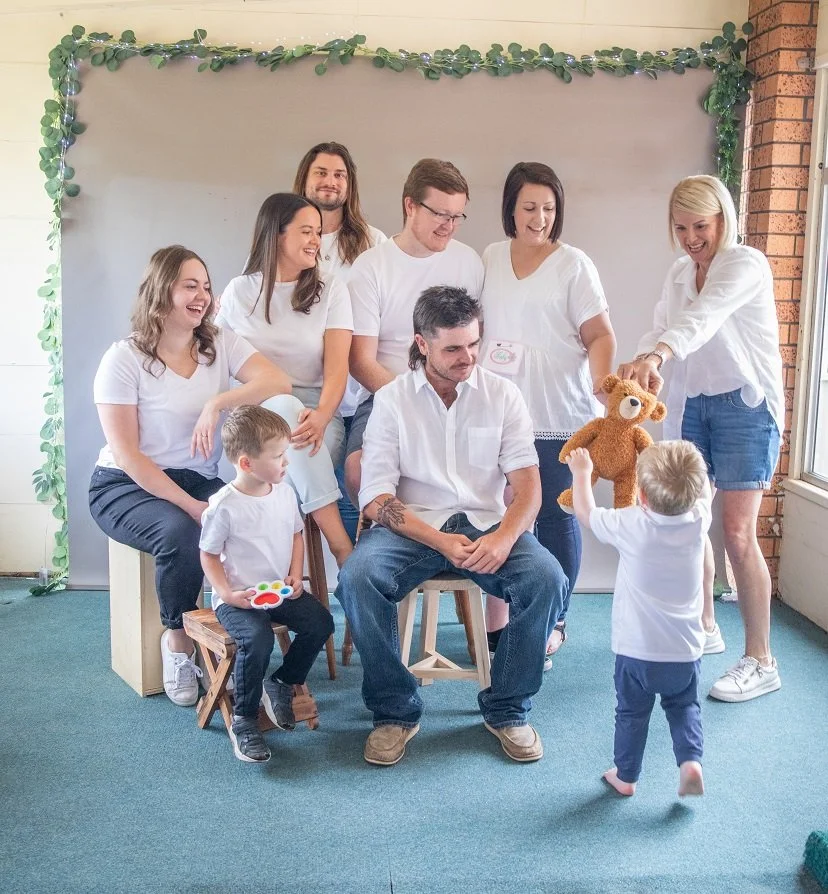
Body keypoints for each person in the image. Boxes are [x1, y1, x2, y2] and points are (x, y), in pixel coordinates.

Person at [336, 287, 567, 767]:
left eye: (473, 345)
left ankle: (507, 710)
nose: (468, 358)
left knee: (547, 579)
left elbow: (529, 490)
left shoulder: (503, 396)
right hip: (413, 527)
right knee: (357, 578)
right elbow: (376, 498)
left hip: (485, 524)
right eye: (453, 349)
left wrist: (503, 538)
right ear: (422, 343)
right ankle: (394, 712)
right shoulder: (393, 400)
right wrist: (439, 540)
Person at [89, 245, 289, 706]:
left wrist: (217, 402)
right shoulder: (123, 359)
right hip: (122, 483)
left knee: (245, 515)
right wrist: (196, 506)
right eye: (189, 285)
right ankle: (178, 641)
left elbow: (276, 381)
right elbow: (130, 455)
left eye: (206, 286)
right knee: (182, 531)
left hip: (193, 475)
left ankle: (234, 643)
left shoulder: (218, 343)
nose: (202, 296)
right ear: (161, 293)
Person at [618, 174, 784, 703]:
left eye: (701, 226)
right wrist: (638, 359)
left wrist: (657, 355)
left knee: (736, 533)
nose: (692, 238)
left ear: (723, 220)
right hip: (694, 404)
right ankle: (706, 626)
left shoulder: (744, 263)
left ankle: (761, 659)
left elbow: (702, 320)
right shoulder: (678, 272)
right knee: (688, 522)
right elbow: (662, 326)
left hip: (743, 406)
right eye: (682, 227)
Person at [480, 161, 616, 671]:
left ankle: (553, 621)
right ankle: (507, 618)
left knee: (555, 515)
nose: (539, 218)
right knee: (502, 514)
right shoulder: (491, 257)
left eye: (549, 209)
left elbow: (600, 335)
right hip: (499, 413)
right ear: (510, 209)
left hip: (559, 411)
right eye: (530, 207)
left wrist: (604, 387)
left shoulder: (573, 264)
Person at [217, 193, 353, 567]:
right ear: (277, 234)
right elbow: (215, 359)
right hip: (250, 417)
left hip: (315, 415)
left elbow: (337, 368)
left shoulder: (331, 289)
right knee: (280, 406)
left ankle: (267, 577)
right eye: (306, 231)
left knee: (290, 412)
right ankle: (341, 547)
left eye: (319, 233)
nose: (316, 240)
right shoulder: (239, 292)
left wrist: (324, 414)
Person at [566, 442, 708, 798]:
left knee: (631, 714)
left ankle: (626, 776)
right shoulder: (698, 520)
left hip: (637, 652)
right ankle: (690, 762)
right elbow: (707, 492)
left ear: (641, 496)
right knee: (684, 705)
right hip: (684, 650)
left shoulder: (631, 523)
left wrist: (582, 473)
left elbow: (586, 513)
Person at [344, 157, 484, 504]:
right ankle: (388, 545)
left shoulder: (468, 262)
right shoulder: (371, 268)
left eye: (457, 216)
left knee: (499, 473)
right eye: (440, 214)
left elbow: (475, 345)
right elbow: (360, 361)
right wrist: (414, 401)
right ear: (410, 205)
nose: (449, 226)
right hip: (386, 394)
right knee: (357, 470)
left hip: (458, 394)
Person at [200, 406, 335, 763]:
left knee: (321, 623)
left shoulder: (284, 493)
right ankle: (244, 720)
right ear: (246, 463)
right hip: (239, 598)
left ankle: (282, 681)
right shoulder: (223, 506)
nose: (286, 463)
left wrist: (295, 573)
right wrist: (227, 594)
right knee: (256, 641)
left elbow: (295, 535)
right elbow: (208, 555)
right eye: (278, 456)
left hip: (277, 589)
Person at [293, 141, 387, 540]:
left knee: (355, 493)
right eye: (321, 173)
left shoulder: (373, 242)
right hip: (309, 396)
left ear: (350, 185)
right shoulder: (286, 240)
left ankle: (353, 583)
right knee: (308, 489)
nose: (330, 182)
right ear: (306, 178)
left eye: (339, 175)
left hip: (362, 393)